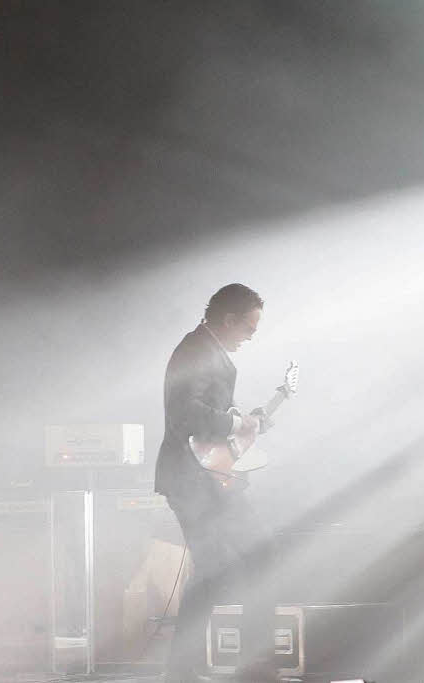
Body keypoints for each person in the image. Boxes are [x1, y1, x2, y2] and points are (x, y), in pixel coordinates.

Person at [155, 283, 277, 682]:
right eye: (248, 328)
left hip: (211, 474)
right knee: (217, 568)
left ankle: (232, 664)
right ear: (228, 319)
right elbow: (185, 414)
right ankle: (189, 670)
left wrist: (249, 423)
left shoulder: (209, 351)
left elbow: (213, 421)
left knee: (256, 556)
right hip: (190, 477)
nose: (252, 336)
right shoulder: (194, 350)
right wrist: (235, 422)